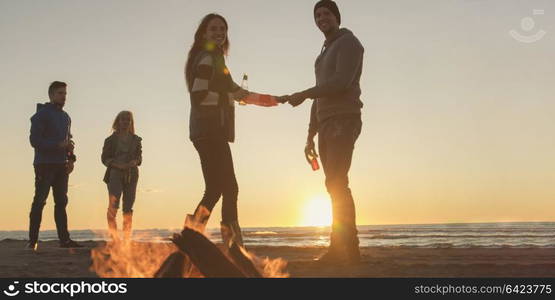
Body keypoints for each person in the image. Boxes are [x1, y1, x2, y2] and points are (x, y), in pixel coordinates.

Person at [184, 13, 279, 249]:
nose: (219, 33)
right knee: (229, 187)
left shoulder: (216, 60)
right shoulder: (206, 57)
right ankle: (232, 244)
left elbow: (237, 92)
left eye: (223, 29)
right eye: (214, 29)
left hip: (208, 131)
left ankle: (193, 237)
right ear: (204, 33)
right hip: (208, 130)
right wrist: (230, 97)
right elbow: (199, 96)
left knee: (216, 188)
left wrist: (268, 100)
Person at [282, 0, 364, 264]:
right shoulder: (324, 51)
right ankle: (341, 248)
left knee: (338, 181)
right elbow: (320, 95)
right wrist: (309, 135)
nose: (321, 18)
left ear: (336, 17)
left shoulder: (349, 43)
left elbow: (339, 84)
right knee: (332, 183)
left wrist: (304, 94)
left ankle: (348, 249)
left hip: (344, 118)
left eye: (326, 13)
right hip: (326, 121)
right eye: (317, 15)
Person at [28, 81, 83, 249]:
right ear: (51, 95)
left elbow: (69, 141)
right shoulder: (41, 115)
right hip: (44, 164)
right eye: (60, 93)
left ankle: (64, 240)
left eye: (65, 93)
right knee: (40, 201)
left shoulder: (66, 117)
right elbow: (34, 141)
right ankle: (33, 241)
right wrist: (57, 145)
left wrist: (71, 159)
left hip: (61, 165)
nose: (64, 96)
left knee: (61, 202)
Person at [101, 111, 142, 242]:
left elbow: (139, 157)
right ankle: (114, 237)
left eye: (128, 120)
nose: (125, 122)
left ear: (131, 122)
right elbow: (104, 158)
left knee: (128, 206)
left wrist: (134, 162)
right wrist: (117, 165)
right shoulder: (110, 140)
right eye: (123, 119)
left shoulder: (136, 139)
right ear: (118, 121)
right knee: (113, 205)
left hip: (132, 173)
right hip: (115, 173)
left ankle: (126, 238)